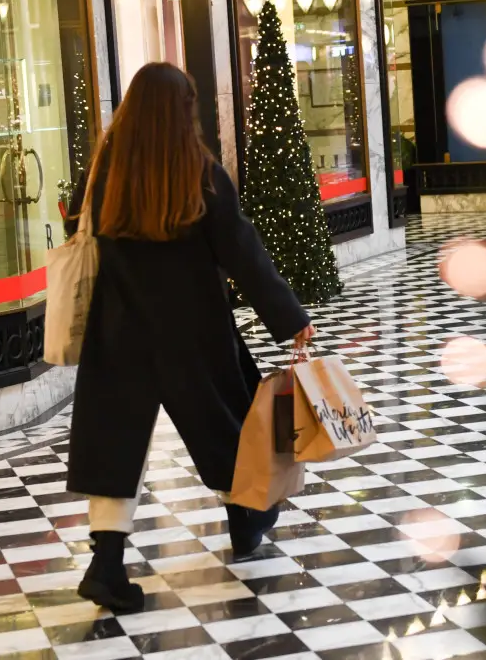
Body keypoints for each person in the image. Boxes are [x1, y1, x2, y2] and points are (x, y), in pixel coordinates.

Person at [63, 63, 314, 613]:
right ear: (182, 111)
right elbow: (241, 253)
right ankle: (247, 517)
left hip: (120, 331)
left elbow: (76, 229)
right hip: (193, 331)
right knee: (223, 426)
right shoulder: (200, 174)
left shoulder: (104, 172)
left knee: (114, 447)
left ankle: (106, 564)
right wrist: (290, 317)